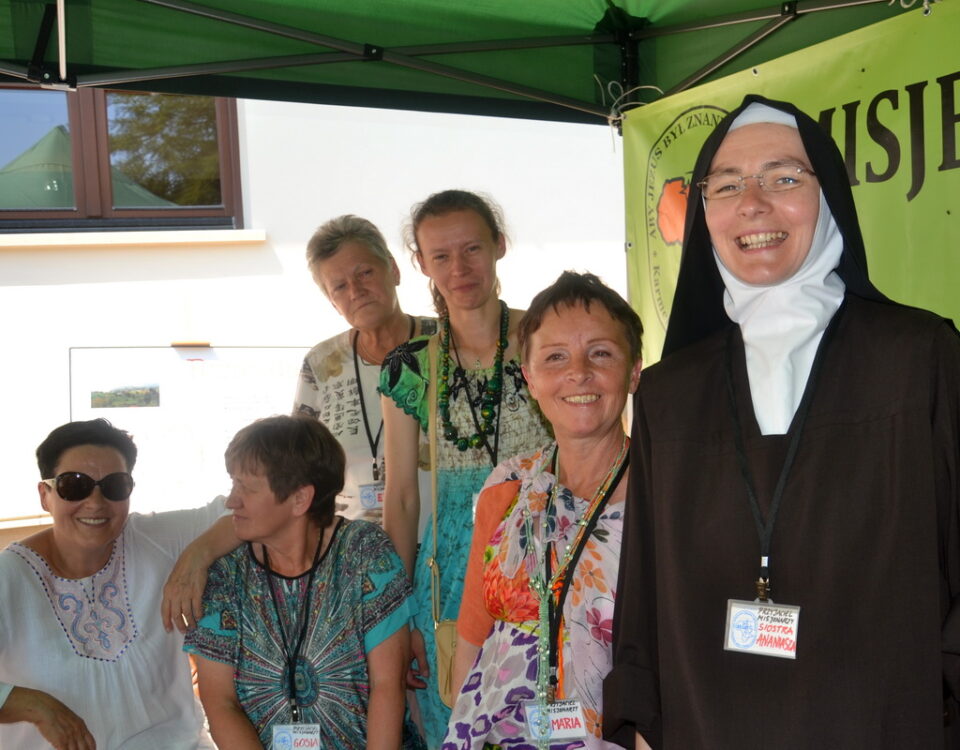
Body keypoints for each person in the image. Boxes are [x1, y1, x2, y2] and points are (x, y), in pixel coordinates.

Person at [603, 94, 960, 749]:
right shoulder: (669, 394)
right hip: (710, 725)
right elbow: (644, 593)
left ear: (830, 198)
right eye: (726, 185)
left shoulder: (918, 358)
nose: (753, 204)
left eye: (784, 178)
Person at [380, 189, 552, 747]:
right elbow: (402, 498)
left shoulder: (549, 341)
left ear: (499, 245)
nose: (459, 268)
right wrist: (400, 614)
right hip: (451, 572)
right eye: (441, 255)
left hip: (546, 552)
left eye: (473, 248)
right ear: (421, 264)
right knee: (455, 722)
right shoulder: (409, 367)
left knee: (547, 722)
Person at [443, 271, 643, 749]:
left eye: (601, 353)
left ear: (634, 371)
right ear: (530, 378)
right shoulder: (507, 487)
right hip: (492, 733)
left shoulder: (664, 499)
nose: (579, 372)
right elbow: (474, 634)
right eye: (555, 357)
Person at [185, 414, 423, 749]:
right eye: (233, 483)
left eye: (247, 488)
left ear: (300, 499)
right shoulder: (227, 573)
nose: (231, 501)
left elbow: (388, 685)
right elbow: (220, 701)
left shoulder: (363, 552)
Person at [0, 418, 227, 749]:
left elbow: (249, 506)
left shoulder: (153, 538)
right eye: (74, 485)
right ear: (45, 495)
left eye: (114, 486)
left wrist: (198, 555)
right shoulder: (9, 577)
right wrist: (33, 705)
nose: (95, 502)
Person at [294, 214, 437, 528]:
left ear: (394, 270)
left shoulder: (447, 344)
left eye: (365, 273)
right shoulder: (321, 364)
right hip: (351, 545)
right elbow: (300, 468)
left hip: (444, 540)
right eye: (340, 286)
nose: (356, 291)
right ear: (332, 302)